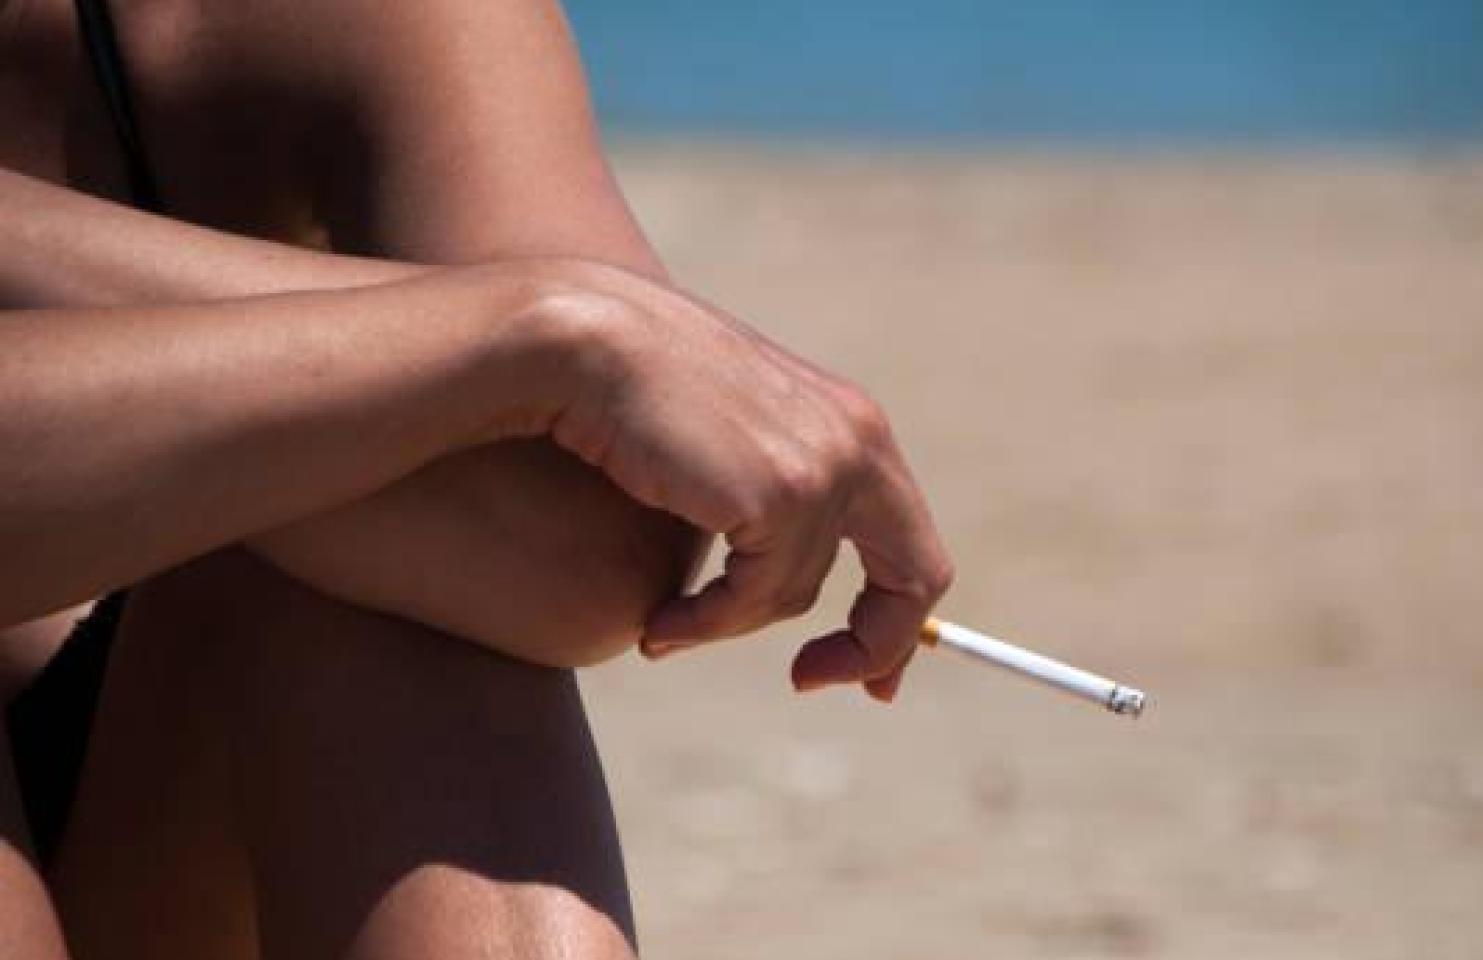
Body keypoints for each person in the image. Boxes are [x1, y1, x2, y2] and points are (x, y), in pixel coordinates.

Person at [0, 1, 955, 957]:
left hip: (146, 829)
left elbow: (597, 540)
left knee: (393, 572)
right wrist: (511, 346)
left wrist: (558, 337)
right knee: (406, 439)